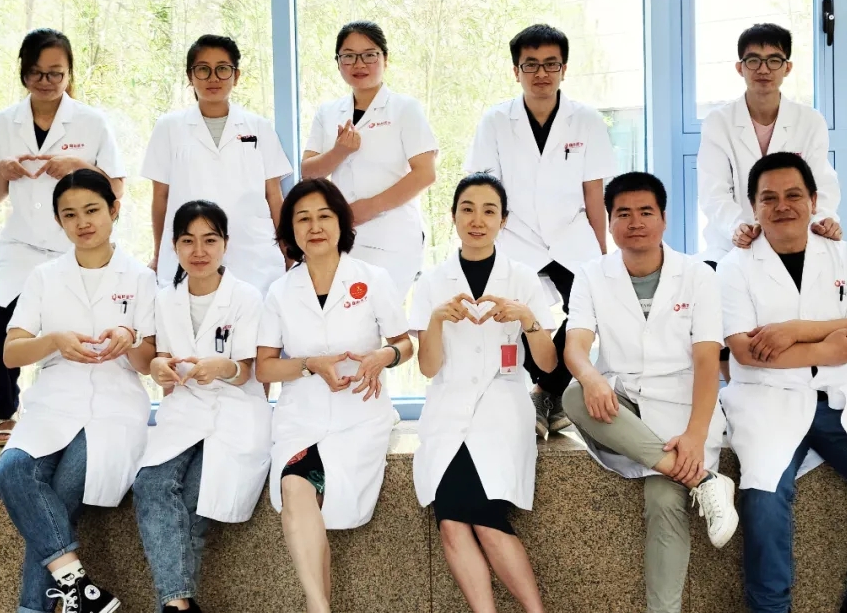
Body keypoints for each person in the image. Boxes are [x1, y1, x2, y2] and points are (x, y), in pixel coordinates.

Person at [717, 152, 847, 613]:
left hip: (840, 395)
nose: (782, 206)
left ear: (813, 200)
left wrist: (791, 331)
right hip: (767, 399)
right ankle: (770, 607)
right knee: (763, 498)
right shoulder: (734, 266)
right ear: (754, 207)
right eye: (768, 198)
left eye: (793, 195)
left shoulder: (846, 256)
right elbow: (745, 351)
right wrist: (826, 346)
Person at [560, 172, 739, 613]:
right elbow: (576, 346)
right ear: (609, 223)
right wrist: (592, 377)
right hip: (623, 404)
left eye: (645, 212)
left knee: (663, 498)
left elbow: (707, 362)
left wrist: (695, 435)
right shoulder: (591, 275)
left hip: (684, 407)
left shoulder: (698, 276)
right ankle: (703, 481)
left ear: (663, 218)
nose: (635, 222)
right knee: (573, 396)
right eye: (623, 213)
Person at [0, 169, 156, 613]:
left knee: (62, 491)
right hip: (53, 402)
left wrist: (130, 337)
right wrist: (53, 341)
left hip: (115, 405)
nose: (82, 222)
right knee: (13, 469)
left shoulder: (140, 278)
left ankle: (43, 604)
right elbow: (11, 353)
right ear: (58, 221)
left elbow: (148, 363)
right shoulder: (44, 277)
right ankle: (79, 588)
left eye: (92, 210)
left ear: (114, 210)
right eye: (69, 214)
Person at [255, 178, 414, 613]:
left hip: (359, 416)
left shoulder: (372, 279)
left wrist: (383, 356)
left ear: (341, 223)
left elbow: (405, 344)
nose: (315, 226)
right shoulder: (280, 292)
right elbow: (265, 367)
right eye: (303, 218)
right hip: (301, 419)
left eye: (324, 215)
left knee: (309, 497)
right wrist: (310, 364)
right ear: (290, 231)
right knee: (294, 483)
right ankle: (319, 607)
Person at [411, 173, 556, 613]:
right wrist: (435, 321)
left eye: (489, 211)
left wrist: (528, 319)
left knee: (483, 519)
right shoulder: (431, 283)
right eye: (467, 209)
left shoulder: (523, 279)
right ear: (453, 216)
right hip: (448, 411)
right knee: (452, 523)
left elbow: (548, 364)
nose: (477, 220)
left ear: (503, 220)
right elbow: (428, 368)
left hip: (502, 411)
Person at [0, 28, 125, 446]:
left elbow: (117, 189)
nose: (46, 82)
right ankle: (6, 411)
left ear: (69, 73)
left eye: (56, 73)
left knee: (79, 327)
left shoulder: (91, 122)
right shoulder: (4, 123)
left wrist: (79, 166)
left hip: (74, 245)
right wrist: (2, 172)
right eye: (37, 73)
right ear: (23, 73)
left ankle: (78, 412)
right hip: (22, 245)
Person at [465, 23, 617, 438]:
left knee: (593, 307)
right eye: (530, 64)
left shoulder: (585, 120)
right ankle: (543, 393)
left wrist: (601, 250)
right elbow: (484, 186)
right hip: (516, 234)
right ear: (516, 71)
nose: (541, 73)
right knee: (511, 313)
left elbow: (594, 191)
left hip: (571, 233)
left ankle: (544, 391)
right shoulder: (496, 121)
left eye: (551, 64)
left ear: (564, 69)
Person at [133, 200, 270, 613]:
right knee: (150, 483)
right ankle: (180, 605)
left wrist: (221, 367)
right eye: (188, 241)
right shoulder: (165, 300)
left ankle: (174, 605)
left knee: (192, 503)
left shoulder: (246, 297)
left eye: (210, 240)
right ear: (174, 246)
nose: (199, 251)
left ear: (225, 244)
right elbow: (160, 358)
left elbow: (248, 371)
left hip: (234, 410)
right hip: (184, 409)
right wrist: (157, 366)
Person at [143, 34, 292, 296]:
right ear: (190, 76)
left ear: (236, 75)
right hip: (191, 252)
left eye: (223, 69)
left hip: (253, 254)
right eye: (203, 69)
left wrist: (287, 250)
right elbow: (160, 197)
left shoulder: (259, 127)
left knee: (256, 316)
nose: (213, 78)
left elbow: (274, 195)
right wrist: (158, 254)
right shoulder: (168, 127)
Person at [300, 20, 438, 301]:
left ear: (385, 59)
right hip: (341, 236)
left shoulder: (405, 109)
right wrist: (339, 152)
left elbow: (425, 173)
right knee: (341, 313)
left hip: (392, 235)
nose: (359, 64)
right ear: (338, 62)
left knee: (378, 312)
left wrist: (369, 207)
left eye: (369, 55)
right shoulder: (328, 112)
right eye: (348, 56)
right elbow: (308, 173)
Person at [698, 22, 841, 265]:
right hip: (733, 246)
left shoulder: (810, 121)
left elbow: (822, 184)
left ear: (787, 67)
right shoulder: (718, 123)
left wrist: (823, 220)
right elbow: (713, 192)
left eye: (774, 60)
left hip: (794, 240)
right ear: (740, 68)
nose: (763, 69)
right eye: (753, 60)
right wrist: (739, 227)